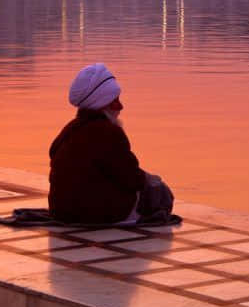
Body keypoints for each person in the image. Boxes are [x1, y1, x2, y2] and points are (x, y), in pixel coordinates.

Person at [48, 63, 175, 224]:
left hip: (60, 212)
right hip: (94, 214)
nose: (120, 107)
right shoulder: (109, 133)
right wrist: (151, 180)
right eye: (115, 101)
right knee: (159, 190)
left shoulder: (69, 129)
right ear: (104, 105)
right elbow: (132, 179)